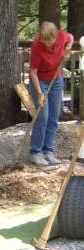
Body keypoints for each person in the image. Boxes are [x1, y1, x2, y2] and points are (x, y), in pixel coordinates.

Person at [28, 22, 73, 166]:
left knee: (54, 116)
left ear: (55, 36)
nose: (46, 43)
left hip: (56, 79)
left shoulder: (61, 36)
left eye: (49, 40)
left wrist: (68, 48)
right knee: (43, 116)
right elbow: (33, 72)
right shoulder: (36, 45)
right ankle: (35, 152)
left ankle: (49, 150)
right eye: (44, 40)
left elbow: (70, 37)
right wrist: (40, 93)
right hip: (40, 81)